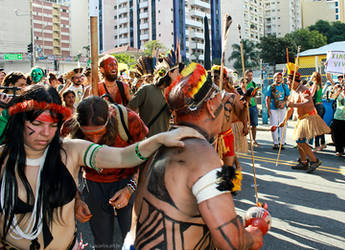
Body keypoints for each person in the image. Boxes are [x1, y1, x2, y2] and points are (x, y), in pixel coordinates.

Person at [0, 84, 202, 249]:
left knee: (132, 235)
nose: (45, 132)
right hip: (94, 188)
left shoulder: (70, 150)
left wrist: (159, 140)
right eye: (37, 123)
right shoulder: (3, 159)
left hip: (124, 184)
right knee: (103, 241)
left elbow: (125, 156)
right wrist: (77, 200)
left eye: (52, 125)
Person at [132, 63, 263, 249]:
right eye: (219, 100)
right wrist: (255, 230)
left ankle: (228, 192)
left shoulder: (157, 146)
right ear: (211, 106)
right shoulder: (201, 156)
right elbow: (232, 242)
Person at [72, 96, 148, 250]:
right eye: (88, 134)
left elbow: (146, 157)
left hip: (127, 180)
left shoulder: (130, 120)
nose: (94, 140)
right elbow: (67, 167)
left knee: (134, 239)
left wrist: (129, 189)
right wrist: (77, 199)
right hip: (93, 185)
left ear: (109, 120)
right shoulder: (70, 128)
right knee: (102, 243)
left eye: (99, 133)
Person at [279, 71, 330, 172]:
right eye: (288, 82)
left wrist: (294, 105)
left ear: (296, 82)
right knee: (299, 142)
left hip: (309, 117)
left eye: (290, 82)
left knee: (300, 140)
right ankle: (304, 162)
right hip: (301, 119)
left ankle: (314, 160)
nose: (288, 84)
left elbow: (308, 103)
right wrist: (284, 121)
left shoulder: (304, 90)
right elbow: (290, 109)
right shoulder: (293, 91)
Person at [128, 52, 180, 137]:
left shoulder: (173, 94)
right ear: (169, 73)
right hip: (146, 141)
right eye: (177, 72)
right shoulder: (146, 89)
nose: (178, 75)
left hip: (164, 142)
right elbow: (129, 112)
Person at [211, 65, 248, 167]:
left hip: (227, 135)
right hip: (211, 138)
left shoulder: (232, 96)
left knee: (227, 170)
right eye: (212, 77)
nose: (214, 80)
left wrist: (246, 105)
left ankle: (237, 167)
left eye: (217, 78)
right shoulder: (206, 97)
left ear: (225, 80)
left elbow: (242, 115)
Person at [266, 72, 290, 149]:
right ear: (274, 78)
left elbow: (288, 96)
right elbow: (268, 99)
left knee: (283, 125)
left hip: (282, 109)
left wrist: (284, 103)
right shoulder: (271, 87)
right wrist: (268, 109)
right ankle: (275, 143)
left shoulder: (284, 86)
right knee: (274, 126)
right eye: (277, 77)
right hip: (273, 108)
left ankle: (282, 143)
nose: (278, 79)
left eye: (280, 77)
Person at [329, 83, 345, 156]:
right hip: (338, 116)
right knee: (336, 134)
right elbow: (330, 97)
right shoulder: (338, 94)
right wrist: (333, 89)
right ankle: (339, 150)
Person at [309, 72, 326, 152]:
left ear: (314, 77)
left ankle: (316, 146)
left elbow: (311, 95)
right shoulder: (320, 85)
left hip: (317, 107)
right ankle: (323, 143)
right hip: (321, 106)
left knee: (316, 127)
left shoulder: (315, 85)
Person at [245, 69, 259, 146]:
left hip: (253, 106)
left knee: (254, 124)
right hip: (246, 106)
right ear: (246, 75)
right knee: (245, 124)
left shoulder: (254, 84)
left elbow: (255, 97)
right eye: (249, 75)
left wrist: (256, 107)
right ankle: (245, 140)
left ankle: (254, 140)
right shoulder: (243, 83)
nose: (250, 77)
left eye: (251, 75)